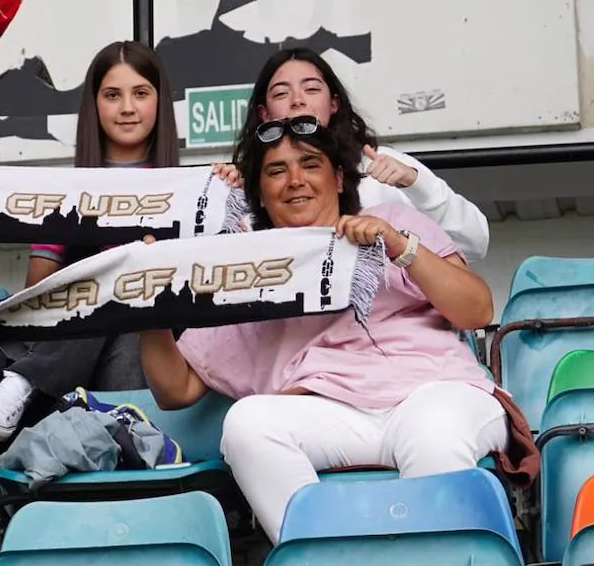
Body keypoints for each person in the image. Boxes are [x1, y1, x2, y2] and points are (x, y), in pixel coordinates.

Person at [141, 120, 513, 542]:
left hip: (430, 392)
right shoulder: (246, 266)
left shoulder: (389, 219)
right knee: (247, 422)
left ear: (337, 178)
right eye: (276, 171)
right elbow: (176, 391)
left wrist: (397, 244)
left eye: (310, 164)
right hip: (328, 412)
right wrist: (151, 302)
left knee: (434, 433)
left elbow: (477, 310)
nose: (295, 180)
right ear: (259, 193)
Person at [0, 41, 179, 440]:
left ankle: (26, 383)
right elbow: (37, 297)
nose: (127, 107)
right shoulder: (66, 190)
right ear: (94, 105)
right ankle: (121, 440)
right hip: (80, 340)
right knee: (110, 292)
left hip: (165, 343)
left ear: (161, 102)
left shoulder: (193, 186)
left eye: (140, 93)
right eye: (112, 95)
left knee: (133, 299)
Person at [225, 48, 488, 259]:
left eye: (312, 89)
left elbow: (475, 242)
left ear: (334, 104)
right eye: (281, 93)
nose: (298, 100)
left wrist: (417, 183)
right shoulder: (246, 183)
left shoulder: (382, 167)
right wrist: (219, 191)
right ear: (264, 114)